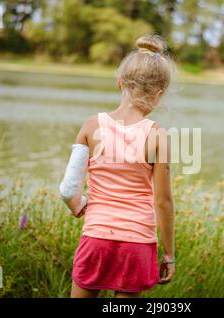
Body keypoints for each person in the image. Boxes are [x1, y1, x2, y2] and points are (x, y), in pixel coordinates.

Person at [59, 34, 175, 298]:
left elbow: (67, 189)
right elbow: (163, 202)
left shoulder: (91, 125)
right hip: (138, 245)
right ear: (158, 95)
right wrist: (169, 254)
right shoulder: (157, 136)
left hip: (96, 238)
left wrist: (78, 205)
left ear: (119, 83)